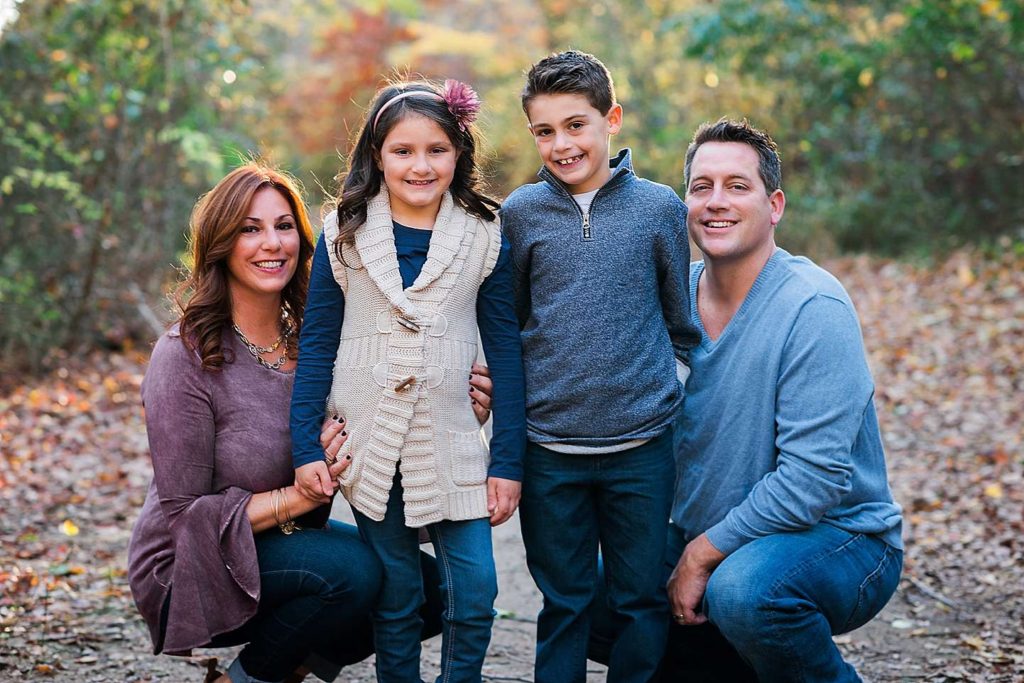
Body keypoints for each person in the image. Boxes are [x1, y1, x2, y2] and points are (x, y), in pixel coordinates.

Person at [126, 163, 449, 683]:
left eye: (284, 227)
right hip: (189, 565)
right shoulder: (184, 355)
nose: (271, 243)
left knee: (429, 587)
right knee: (354, 574)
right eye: (249, 229)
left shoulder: (315, 345)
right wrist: (300, 499)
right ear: (220, 244)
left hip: (282, 544)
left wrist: (459, 407)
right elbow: (185, 517)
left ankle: (281, 667)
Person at [289, 79, 526, 683]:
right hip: (369, 441)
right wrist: (302, 445)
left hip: (451, 438)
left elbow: (504, 350)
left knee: (473, 592)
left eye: (437, 150)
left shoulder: (484, 233)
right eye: (402, 151)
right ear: (376, 154)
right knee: (396, 596)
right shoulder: (345, 232)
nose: (420, 166)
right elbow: (318, 342)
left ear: (459, 153)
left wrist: (508, 461)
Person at [660, 119, 903, 682]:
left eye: (737, 186)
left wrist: (699, 556)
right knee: (600, 585)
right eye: (702, 187)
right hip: (716, 534)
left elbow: (812, 482)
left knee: (745, 592)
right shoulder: (672, 303)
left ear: (774, 205)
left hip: (840, 539)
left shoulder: (812, 306)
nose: (716, 202)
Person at [500, 50, 700, 683]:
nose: (562, 144)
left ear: (611, 120)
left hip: (642, 445)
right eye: (545, 130)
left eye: (576, 124)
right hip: (549, 446)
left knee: (639, 601)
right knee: (566, 601)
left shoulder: (660, 208)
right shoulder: (521, 213)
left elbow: (679, 321)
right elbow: (512, 323)